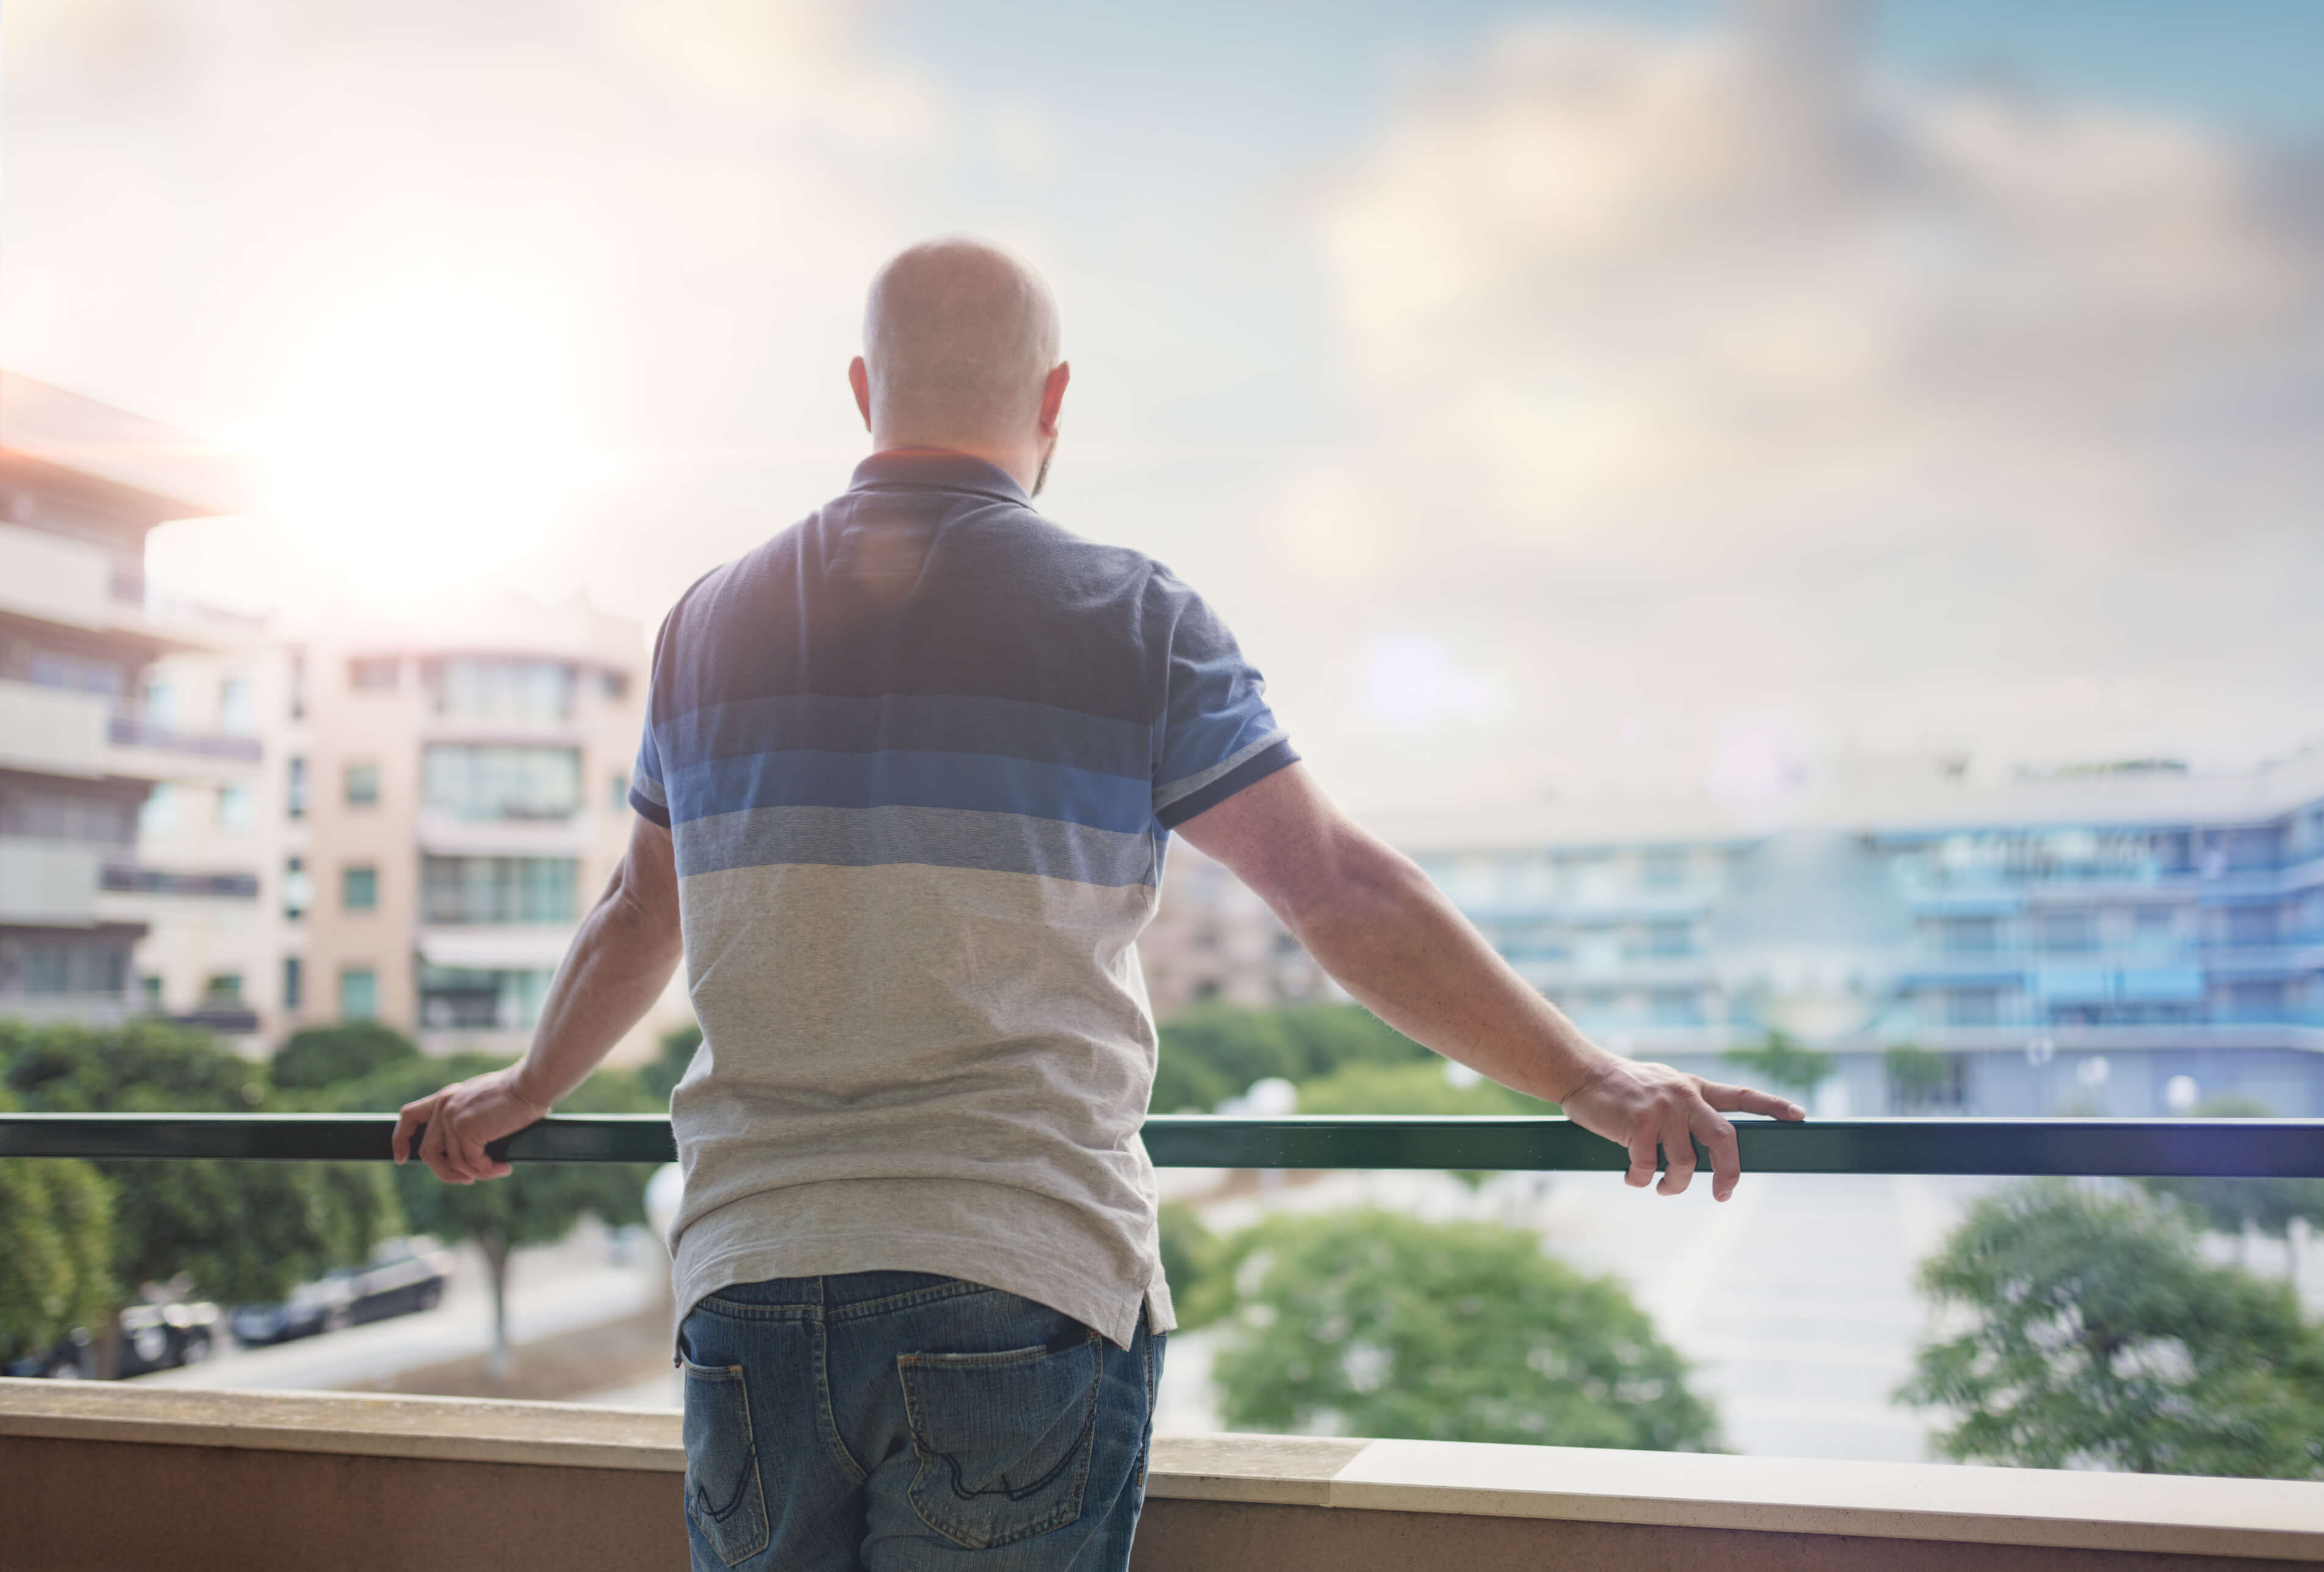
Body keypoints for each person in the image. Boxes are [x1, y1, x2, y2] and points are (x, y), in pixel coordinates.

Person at [392, 235, 1807, 1571]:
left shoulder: (707, 620)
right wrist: (1592, 1078)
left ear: (862, 392)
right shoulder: (1129, 614)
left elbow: (642, 911)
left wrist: (524, 1085)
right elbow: (1337, 888)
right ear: (1055, 401)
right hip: (1016, 1271)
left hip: (751, 1285)